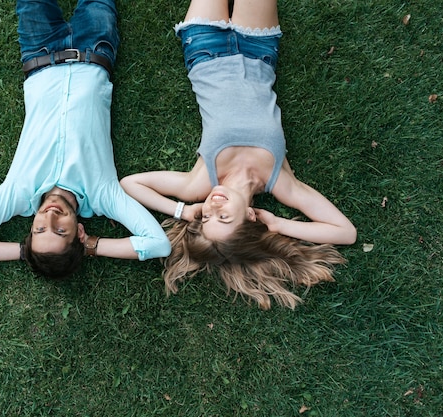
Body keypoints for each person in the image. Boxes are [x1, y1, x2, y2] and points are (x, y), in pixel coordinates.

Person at [120, 0, 357, 310]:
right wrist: (278, 225)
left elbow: (130, 184)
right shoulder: (281, 183)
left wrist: (182, 211)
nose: (212, 207)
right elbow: (346, 233)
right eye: (224, 217)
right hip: (259, 49)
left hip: (204, 48)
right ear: (248, 216)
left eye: (205, 217)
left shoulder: (200, 183)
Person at [0, 0, 171, 278]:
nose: (50, 216)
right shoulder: (102, 194)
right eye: (61, 230)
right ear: (79, 231)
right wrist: (91, 246)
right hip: (94, 48)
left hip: (39, 52)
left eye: (39, 229)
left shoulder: (18, 192)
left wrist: (25, 251)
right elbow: (158, 244)